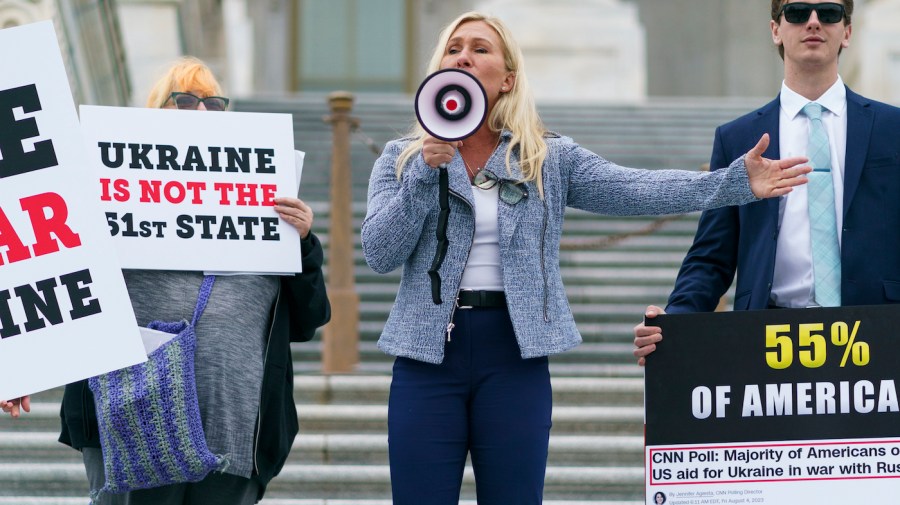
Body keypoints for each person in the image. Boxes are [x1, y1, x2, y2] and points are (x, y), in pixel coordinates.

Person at [361, 11, 810, 505]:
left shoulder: (545, 157)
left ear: (508, 78)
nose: (464, 55)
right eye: (454, 48)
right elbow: (381, 251)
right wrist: (425, 173)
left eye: (481, 48)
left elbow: (636, 188)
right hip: (427, 359)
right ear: (439, 69)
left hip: (515, 354)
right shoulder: (400, 157)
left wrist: (734, 182)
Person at [42, 57, 330, 505]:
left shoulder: (266, 210)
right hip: (132, 429)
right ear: (154, 113)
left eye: (213, 104)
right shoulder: (108, 203)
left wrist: (305, 244)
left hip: (234, 436)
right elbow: (62, 287)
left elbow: (308, 320)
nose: (201, 113)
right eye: (186, 100)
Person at [633, 0, 900, 365]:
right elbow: (712, 256)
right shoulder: (738, 139)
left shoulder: (892, 129)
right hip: (768, 339)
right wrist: (673, 323)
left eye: (829, 13)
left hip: (876, 335)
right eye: (796, 12)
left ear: (847, 32)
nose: (813, 22)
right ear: (775, 29)